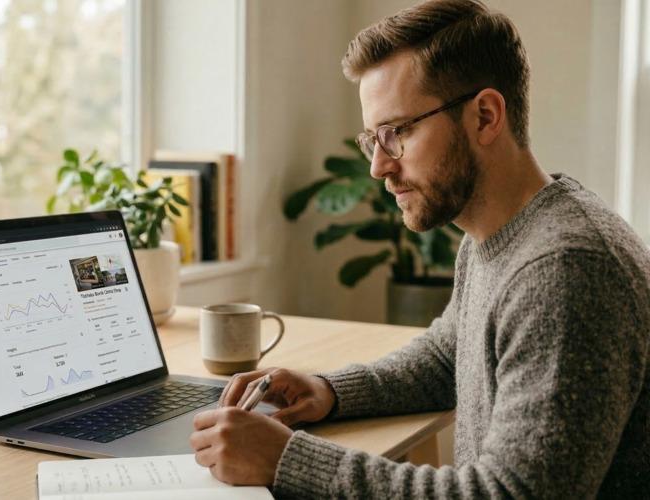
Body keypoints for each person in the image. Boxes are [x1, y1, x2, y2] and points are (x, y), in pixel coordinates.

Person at [188, 0, 650, 497]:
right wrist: (329, 390)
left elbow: (511, 494)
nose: (378, 166)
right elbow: (446, 356)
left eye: (398, 132)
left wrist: (286, 459)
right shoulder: (499, 232)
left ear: (486, 116)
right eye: (373, 138)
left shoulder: (564, 270)